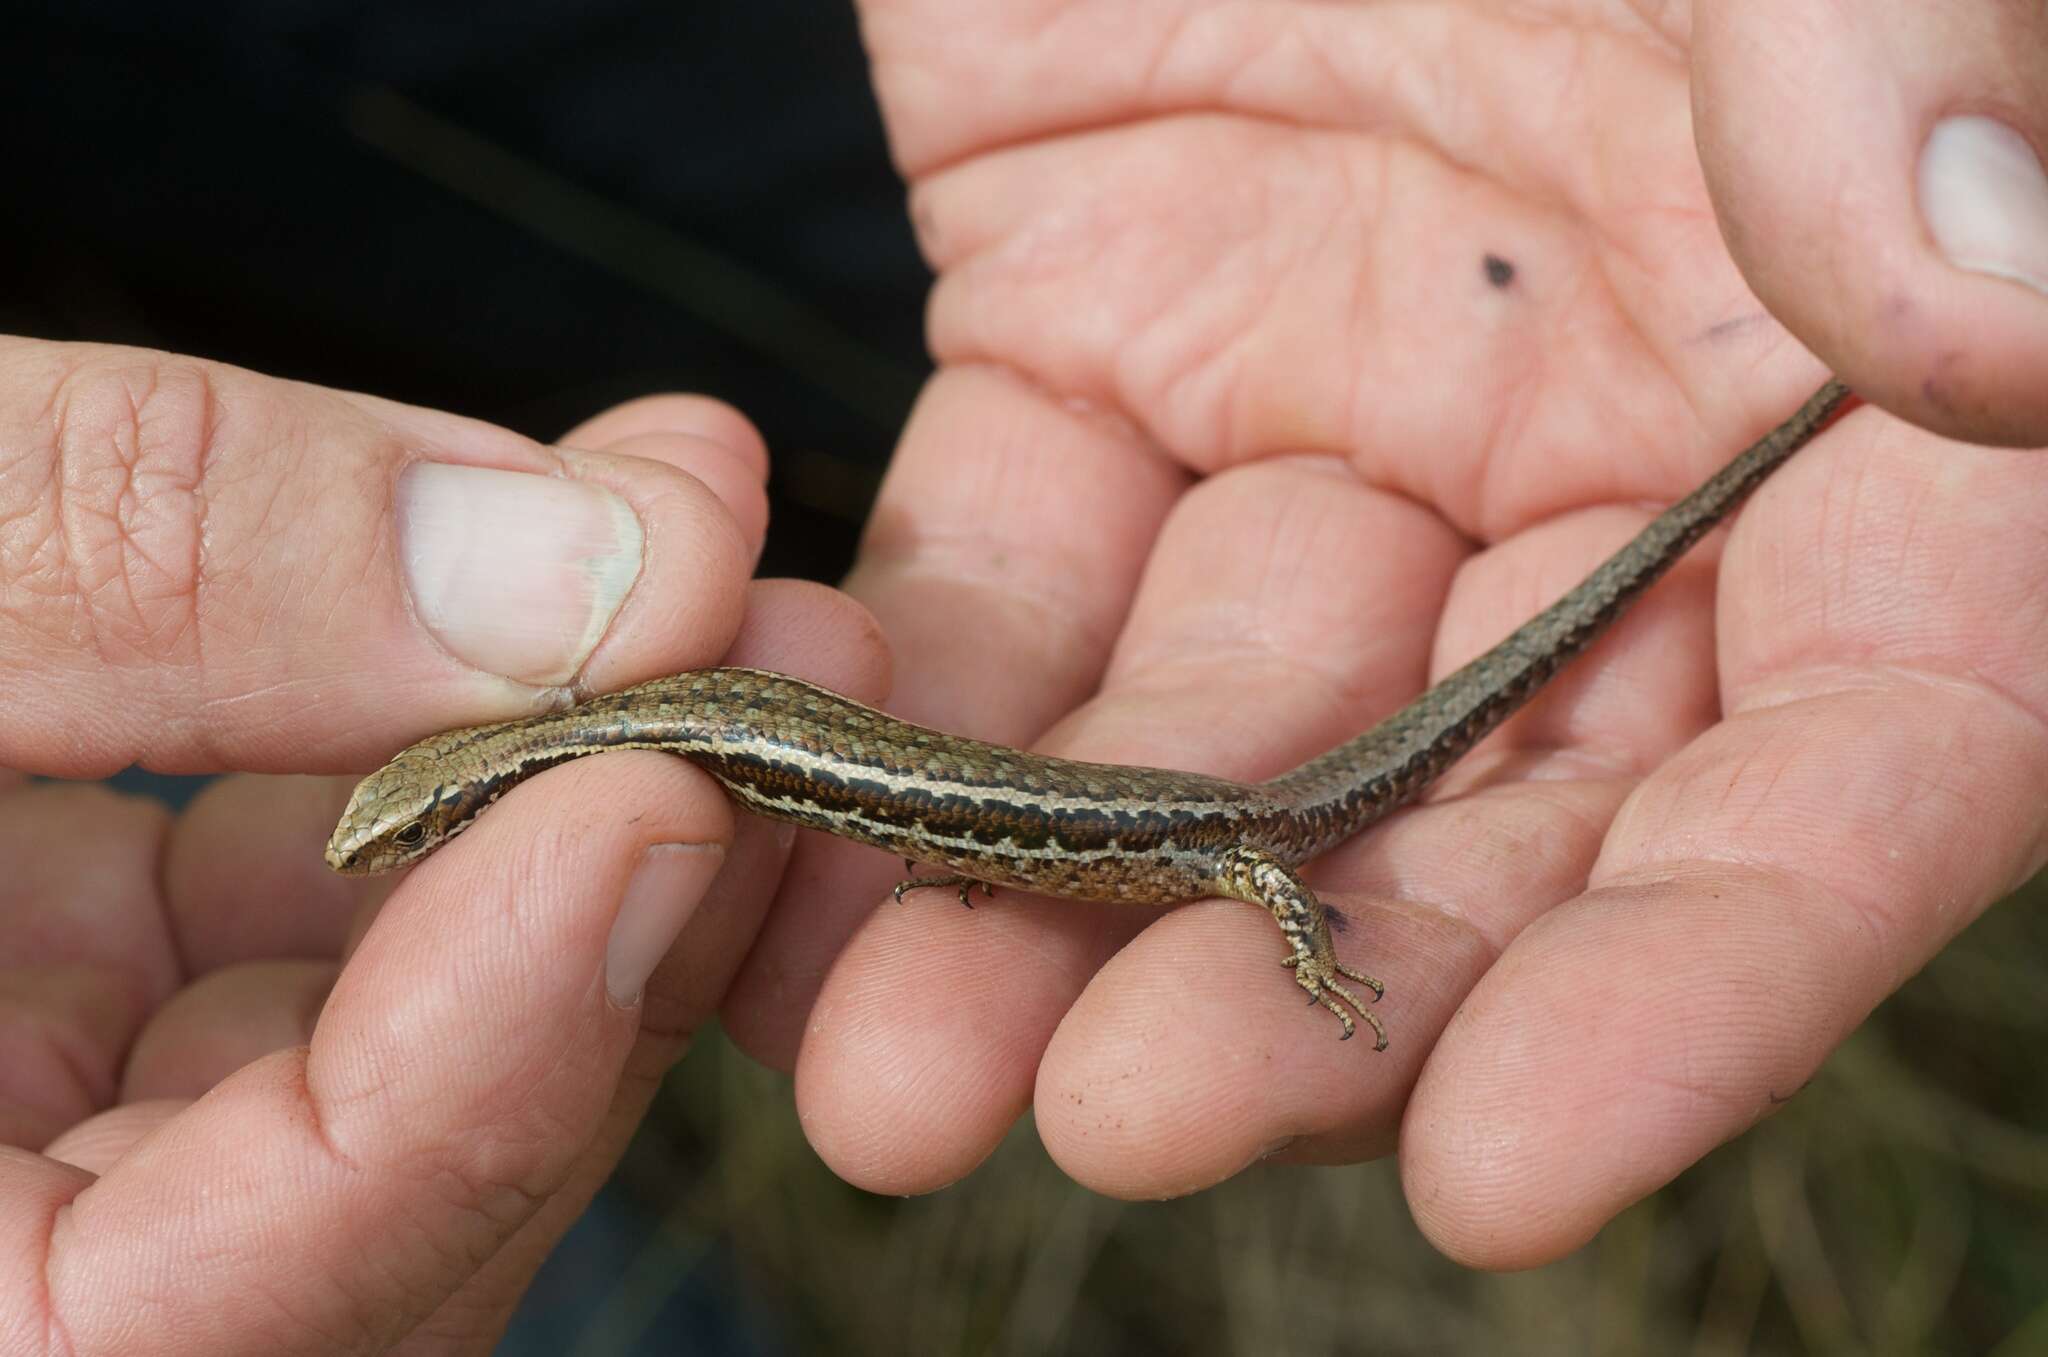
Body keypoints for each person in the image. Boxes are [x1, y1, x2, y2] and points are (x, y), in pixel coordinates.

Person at [6, 3, 2046, 1348]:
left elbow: (1105, 819)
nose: (397, 839)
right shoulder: (593, 750)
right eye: (406, 824)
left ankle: (1770, 450)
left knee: (1261, 876)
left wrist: (1307, 942)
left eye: (415, 817)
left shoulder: (600, 743)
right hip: (1018, 799)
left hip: (1201, 831)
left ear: (461, 787)